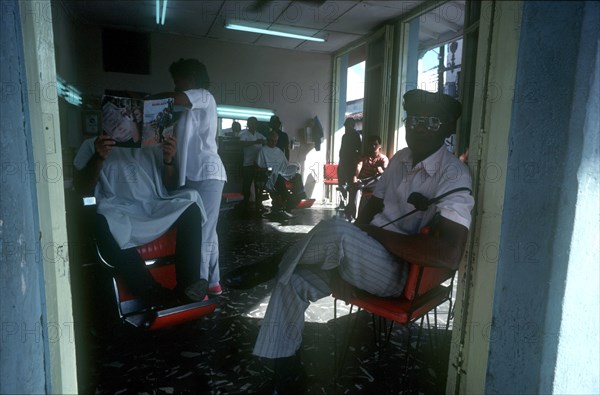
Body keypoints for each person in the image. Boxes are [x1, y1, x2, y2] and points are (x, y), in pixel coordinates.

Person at [252, 89, 474, 393]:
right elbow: (370, 209)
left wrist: (371, 235)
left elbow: (450, 254)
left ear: (448, 129)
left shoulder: (454, 175)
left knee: (337, 230)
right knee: (292, 280)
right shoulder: (400, 159)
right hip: (365, 259)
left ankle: (277, 261)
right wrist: (339, 266)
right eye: (415, 119)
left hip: (399, 274)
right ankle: (286, 373)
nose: (419, 127)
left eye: (432, 121)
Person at [73, 134, 209, 306]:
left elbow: (171, 186)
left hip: (152, 203)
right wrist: (98, 158)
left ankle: (188, 285)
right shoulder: (91, 144)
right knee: (102, 222)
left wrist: (168, 159)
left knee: (191, 205)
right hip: (117, 207)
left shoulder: (153, 143)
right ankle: (151, 291)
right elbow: (82, 187)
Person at [150, 58, 227, 296]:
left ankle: (199, 285)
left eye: (177, 82)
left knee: (203, 231)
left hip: (208, 173)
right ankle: (213, 283)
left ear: (192, 79)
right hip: (192, 175)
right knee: (208, 229)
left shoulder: (204, 96)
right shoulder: (185, 107)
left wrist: (145, 99)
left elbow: (176, 98)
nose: (175, 87)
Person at [256, 130, 306, 218]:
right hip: (268, 175)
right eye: (272, 140)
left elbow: (285, 165)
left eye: (275, 141)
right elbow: (257, 167)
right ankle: (287, 201)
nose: (274, 143)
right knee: (278, 177)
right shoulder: (263, 151)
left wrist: (292, 168)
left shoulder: (278, 151)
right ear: (268, 139)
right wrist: (268, 169)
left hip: (281, 173)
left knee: (297, 175)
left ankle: (300, 195)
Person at [344, 135, 389, 221]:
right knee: (357, 188)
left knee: (378, 179)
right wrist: (355, 176)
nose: (373, 146)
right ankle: (354, 217)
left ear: (380, 146)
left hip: (375, 183)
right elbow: (358, 166)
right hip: (363, 182)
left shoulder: (383, 158)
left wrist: (381, 171)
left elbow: (386, 173)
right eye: (371, 144)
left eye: (375, 144)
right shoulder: (364, 157)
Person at [238, 116, 266, 214]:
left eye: (255, 123)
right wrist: (255, 142)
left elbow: (266, 142)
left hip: (258, 165)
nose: (254, 125)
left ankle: (259, 205)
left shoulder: (260, 135)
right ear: (248, 124)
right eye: (252, 123)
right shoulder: (244, 135)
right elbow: (241, 144)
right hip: (247, 164)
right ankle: (245, 205)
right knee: (246, 186)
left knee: (259, 186)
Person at [337, 117, 362, 207]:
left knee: (351, 185)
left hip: (351, 163)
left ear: (352, 126)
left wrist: (356, 161)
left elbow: (359, 149)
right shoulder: (344, 136)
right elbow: (342, 149)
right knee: (342, 183)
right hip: (343, 162)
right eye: (346, 126)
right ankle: (342, 202)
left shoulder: (356, 135)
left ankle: (350, 204)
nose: (346, 128)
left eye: (347, 126)